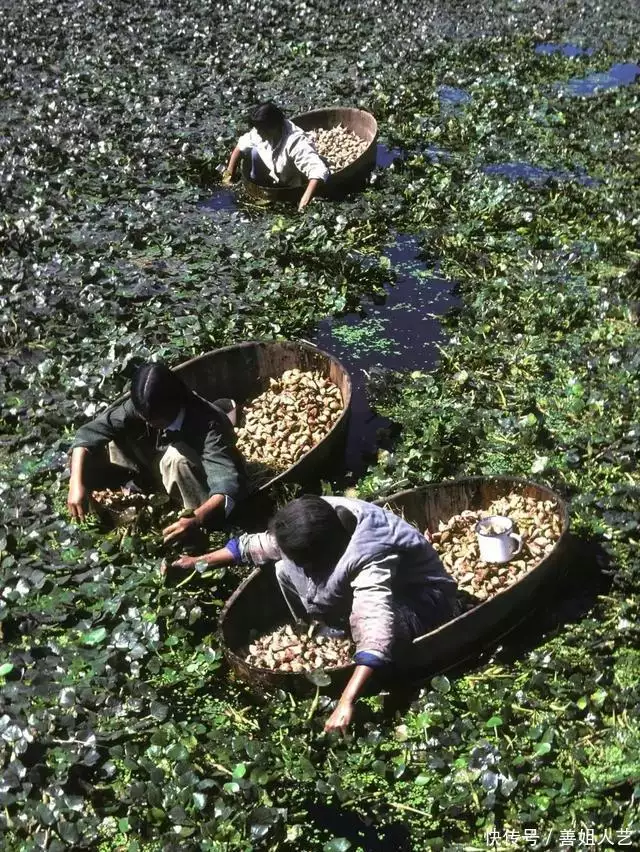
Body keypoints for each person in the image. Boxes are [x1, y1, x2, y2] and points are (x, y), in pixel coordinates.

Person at [172, 495, 458, 733]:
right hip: (351, 580)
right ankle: (332, 627)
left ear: (321, 557)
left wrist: (346, 700)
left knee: (387, 628)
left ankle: (361, 654)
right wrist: (198, 562)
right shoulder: (311, 519)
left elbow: (377, 627)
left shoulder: (368, 555)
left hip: (421, 596)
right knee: (283, 567)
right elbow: (259, 545)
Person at [67, 362, 247, 544]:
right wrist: (76, 483)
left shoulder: (208, 424)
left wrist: (197, 518)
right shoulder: (145, 407)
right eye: (145, 417)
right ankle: (140, 490)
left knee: (176, 461)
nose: (148, 422)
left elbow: (227, 485)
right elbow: (89, 432)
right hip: (159, 454)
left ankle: (186, 515)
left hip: (202, 477)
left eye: (153, 420)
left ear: (172, 407)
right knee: (117, 435)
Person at [222, 101, 330, 211]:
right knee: (254, 152)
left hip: (292, 184)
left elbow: (318, 171)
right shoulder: (260, 132)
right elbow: (240, 147)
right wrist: (228, 176)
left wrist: (304, 202)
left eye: (260, 131)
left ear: (273, 128)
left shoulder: (295, 142)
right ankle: (259, 187)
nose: (257, 133)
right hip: (271, 174)